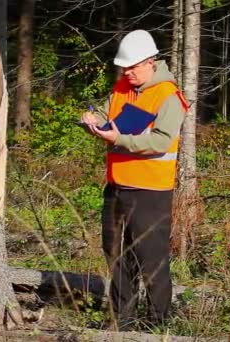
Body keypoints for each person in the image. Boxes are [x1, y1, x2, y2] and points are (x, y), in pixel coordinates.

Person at [80, 29, 188, 329]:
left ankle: (158, 324)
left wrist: (119, 138)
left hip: (150, 191)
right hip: (116, 186)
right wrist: (92, 118)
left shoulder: (169, 96)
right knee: (116, 254)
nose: (127, 72)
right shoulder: (121, 88)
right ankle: (121, 322)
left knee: (151, 258)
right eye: (123, 67)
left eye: (132, 67)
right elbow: (103, 111)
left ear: (151, 61)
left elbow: (161, 141)